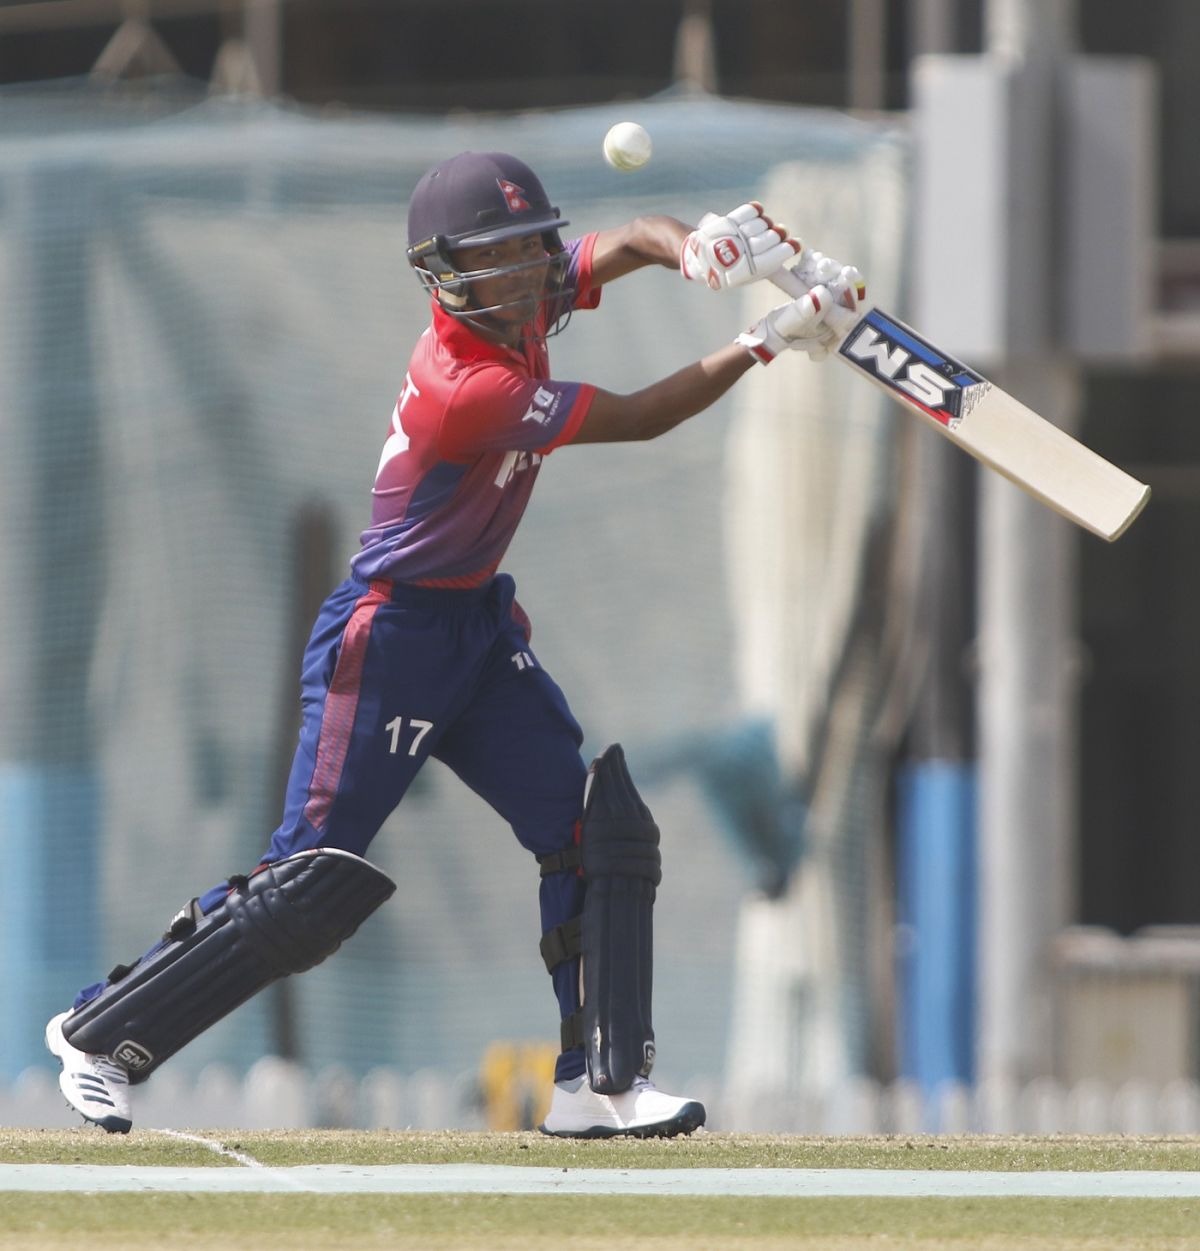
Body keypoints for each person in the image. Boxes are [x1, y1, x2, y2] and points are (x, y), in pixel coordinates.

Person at [45, 150, 863, 1138]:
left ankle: (596, 1086)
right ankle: (101, 1033)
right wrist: (769, 336)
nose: (531, 277)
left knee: (594, 833)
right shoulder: (463, 382)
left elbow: (633, 238)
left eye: (534, 252)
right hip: (387, 637)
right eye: (502, 261)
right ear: (446, 274)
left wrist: (701, 248)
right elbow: (643, 418)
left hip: (474, 625)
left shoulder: (518, 292)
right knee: (308, 880)